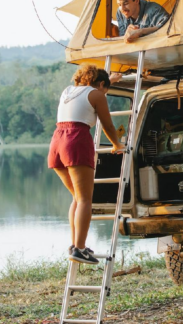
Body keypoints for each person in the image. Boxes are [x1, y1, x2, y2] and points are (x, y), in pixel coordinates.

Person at [48, 65, 125, 264]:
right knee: (85, 200)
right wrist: (117, 143)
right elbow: (107, 124)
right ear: (101, 85)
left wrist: (111, 80)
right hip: (76, 140)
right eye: (105, 88)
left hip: (57, 141)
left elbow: (88, 92)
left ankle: (75, 245)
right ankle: (80, 249)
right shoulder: (97, 95)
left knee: (77, 197)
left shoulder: (68, 91)